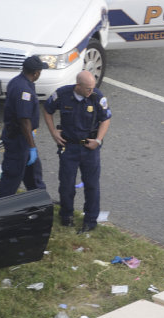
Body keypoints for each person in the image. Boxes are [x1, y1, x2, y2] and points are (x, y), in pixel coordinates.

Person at [43, 70, 112, 233]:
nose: (91, 91)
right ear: (78, 86)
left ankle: (90, 220)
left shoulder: (97, 96)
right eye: (88, 88)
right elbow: (47, 110)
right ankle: (66, 216)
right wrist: (53, 132)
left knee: (92, 185)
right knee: (66, 185)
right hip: (69, 147)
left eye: (93, 88)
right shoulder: (62, 94)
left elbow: (106, 118)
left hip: (89, 148)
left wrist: (98, 140)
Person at [0, 56, 48, 198]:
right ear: (36, 73)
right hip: (19, 140)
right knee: (12, 178)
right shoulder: (24, 90)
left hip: (24, 138)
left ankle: (39, 201)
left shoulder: (17, 81)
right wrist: (31, 146)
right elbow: (24, 120)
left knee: (33, 175)